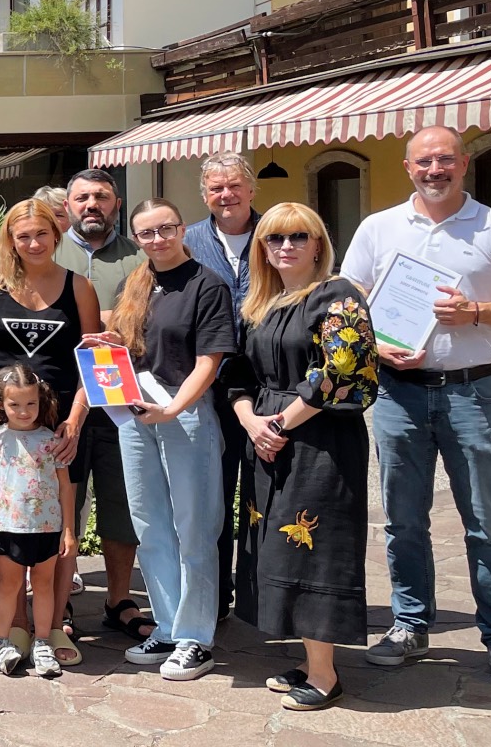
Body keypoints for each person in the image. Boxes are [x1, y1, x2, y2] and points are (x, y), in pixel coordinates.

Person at [341, 125, 491, 685]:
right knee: (402, 518)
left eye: (445, 159)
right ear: (408, 168)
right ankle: (410, 624)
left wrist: (477, 313)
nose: (434, 170)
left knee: (485, 521)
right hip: (399, 392)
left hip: (474, 390)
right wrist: (375, 344)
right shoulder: (379, 227)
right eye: (423, 162)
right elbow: (349, 299)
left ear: (464, 163)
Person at [230, 204, 379, 710]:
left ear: (319, 244)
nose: (286, 246)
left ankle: (324, 674)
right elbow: (238, 374)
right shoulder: (260, 303)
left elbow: (342, 370)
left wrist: (279, 423)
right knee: (279, 546)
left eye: (298, 236)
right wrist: (251, 421)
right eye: (274, 238)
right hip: (266, 438)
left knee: (316, 549)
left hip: (321, 441)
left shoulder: (339, 296)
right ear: (262, 249)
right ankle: (311, 659)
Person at [102, 199, 237, 680]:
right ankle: (167, 624)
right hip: (137, 414)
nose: (157, 239)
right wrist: (104, 346)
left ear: (182, 230)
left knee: (195, 528)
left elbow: (210, 360)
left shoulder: (208, 284)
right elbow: (128, 347)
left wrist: (174, 409)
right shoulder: (134, 284)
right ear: (136, 238)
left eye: (166, 228)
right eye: (147, 233)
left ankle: (196, 637)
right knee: (150, 524)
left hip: (186, 414)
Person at [0, 197, 102, 666]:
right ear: (10, 240)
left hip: (59, 427)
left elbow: (92, 360)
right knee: (11, 523)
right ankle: (18, 627)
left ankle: (55, 624)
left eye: (41, 233)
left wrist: (76, 419)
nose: (33, 243)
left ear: (56, 234)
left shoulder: (79, 286)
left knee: (59, 524)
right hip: (5, 427)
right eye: (23, 236)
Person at [55, 168, 146, 643]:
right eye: (83, 197)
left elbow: (148, 317)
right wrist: (103, 319)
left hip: (118, 399)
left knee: (120, 499)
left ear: (116, 204)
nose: (92, 205)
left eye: (102, 197)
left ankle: (119, 598)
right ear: (67, 205)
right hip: (57, 397)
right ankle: (58, 600)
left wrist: (101, 320)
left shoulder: (139, 257)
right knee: (61, 500)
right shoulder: (49, 250)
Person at [185, 151, 263, 616]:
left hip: (268, 383)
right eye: (216, 188)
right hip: (208, 386)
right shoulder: (190, 240)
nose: (226, 195)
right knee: (212, 494)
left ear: (251, 189)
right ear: (205, 195)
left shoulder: (276, 234)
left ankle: (262, 596)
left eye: (234, 185)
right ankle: (215, 596)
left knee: (263, 491)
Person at [0, 365, 76, 678]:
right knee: (9, 584)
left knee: (43, 584)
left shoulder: (51, 441)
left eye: (30, 403)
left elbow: (65, 487)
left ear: (40, 400)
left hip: (47, 526)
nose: (24, 411)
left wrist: (68, 531)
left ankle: (43, 642)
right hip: (8, 526)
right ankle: (1, 642)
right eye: (15, 404)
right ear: (1, 404)